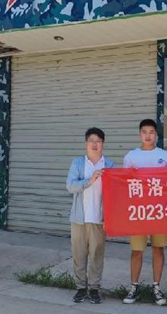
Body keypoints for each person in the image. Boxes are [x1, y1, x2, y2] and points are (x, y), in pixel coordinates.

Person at [122, 118, 167, 306]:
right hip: (138, 210)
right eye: (144, 132)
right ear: (140, 134)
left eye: (151, 132)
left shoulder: (165, 156)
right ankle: (133, 287)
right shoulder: (131, 156)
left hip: (159, 210)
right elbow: (123, 183)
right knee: (137, 250)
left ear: (156, 135)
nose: (148, 135)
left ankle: (156, 287)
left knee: (158, 249)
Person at [66, 127, 115, 305]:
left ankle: (94, 288)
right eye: (91, 141)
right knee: (79, 255)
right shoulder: (78, 164)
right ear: (86, 143)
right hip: (79, 219)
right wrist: (90, 180)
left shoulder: (109, 165)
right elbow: (70, 186)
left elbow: (115, 192)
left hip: (99, 219)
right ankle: (80, 288)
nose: (95, 144)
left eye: (98, 141)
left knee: (96, 255)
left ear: (103, 144)